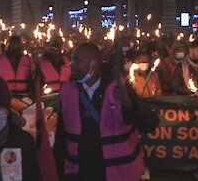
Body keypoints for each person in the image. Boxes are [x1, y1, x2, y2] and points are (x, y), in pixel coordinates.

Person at [54, 43, 159, 181]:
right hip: (79, 172)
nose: (71, 64)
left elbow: (150, 124)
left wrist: (128, 103)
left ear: (94, 64)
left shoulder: (118, 88)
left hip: (116, 172)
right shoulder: (67, 91)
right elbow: (62, 136)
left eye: (77, 60)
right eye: (72, 59)